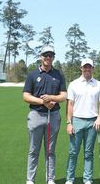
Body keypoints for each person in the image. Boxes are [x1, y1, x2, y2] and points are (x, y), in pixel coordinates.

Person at [23, 45, 67, 184]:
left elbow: (64, 95)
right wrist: (43, 101)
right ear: (40, 56)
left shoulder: (58, 74)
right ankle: (30, 180)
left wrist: (52, 99)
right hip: (36, 115)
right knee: (33, 150)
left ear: (53, 57)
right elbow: (26, 96)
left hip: (53, 116)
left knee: (50, 150)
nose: (48, 58)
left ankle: (50, 179)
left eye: (51, 55)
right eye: (45, 55)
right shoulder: (32, 75)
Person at [65, 58, 100, 184]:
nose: (87, 69)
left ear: (93, 68)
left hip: (92, 122)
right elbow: (70, 105)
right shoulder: (73, 84)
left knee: (89, 153)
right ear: (81, 68)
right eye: (85, 67)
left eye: (89, 67)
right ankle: (69, 179)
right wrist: (69, 122)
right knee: (73, 152)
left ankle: (87, 179)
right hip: (77, 121)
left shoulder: (99, 85)